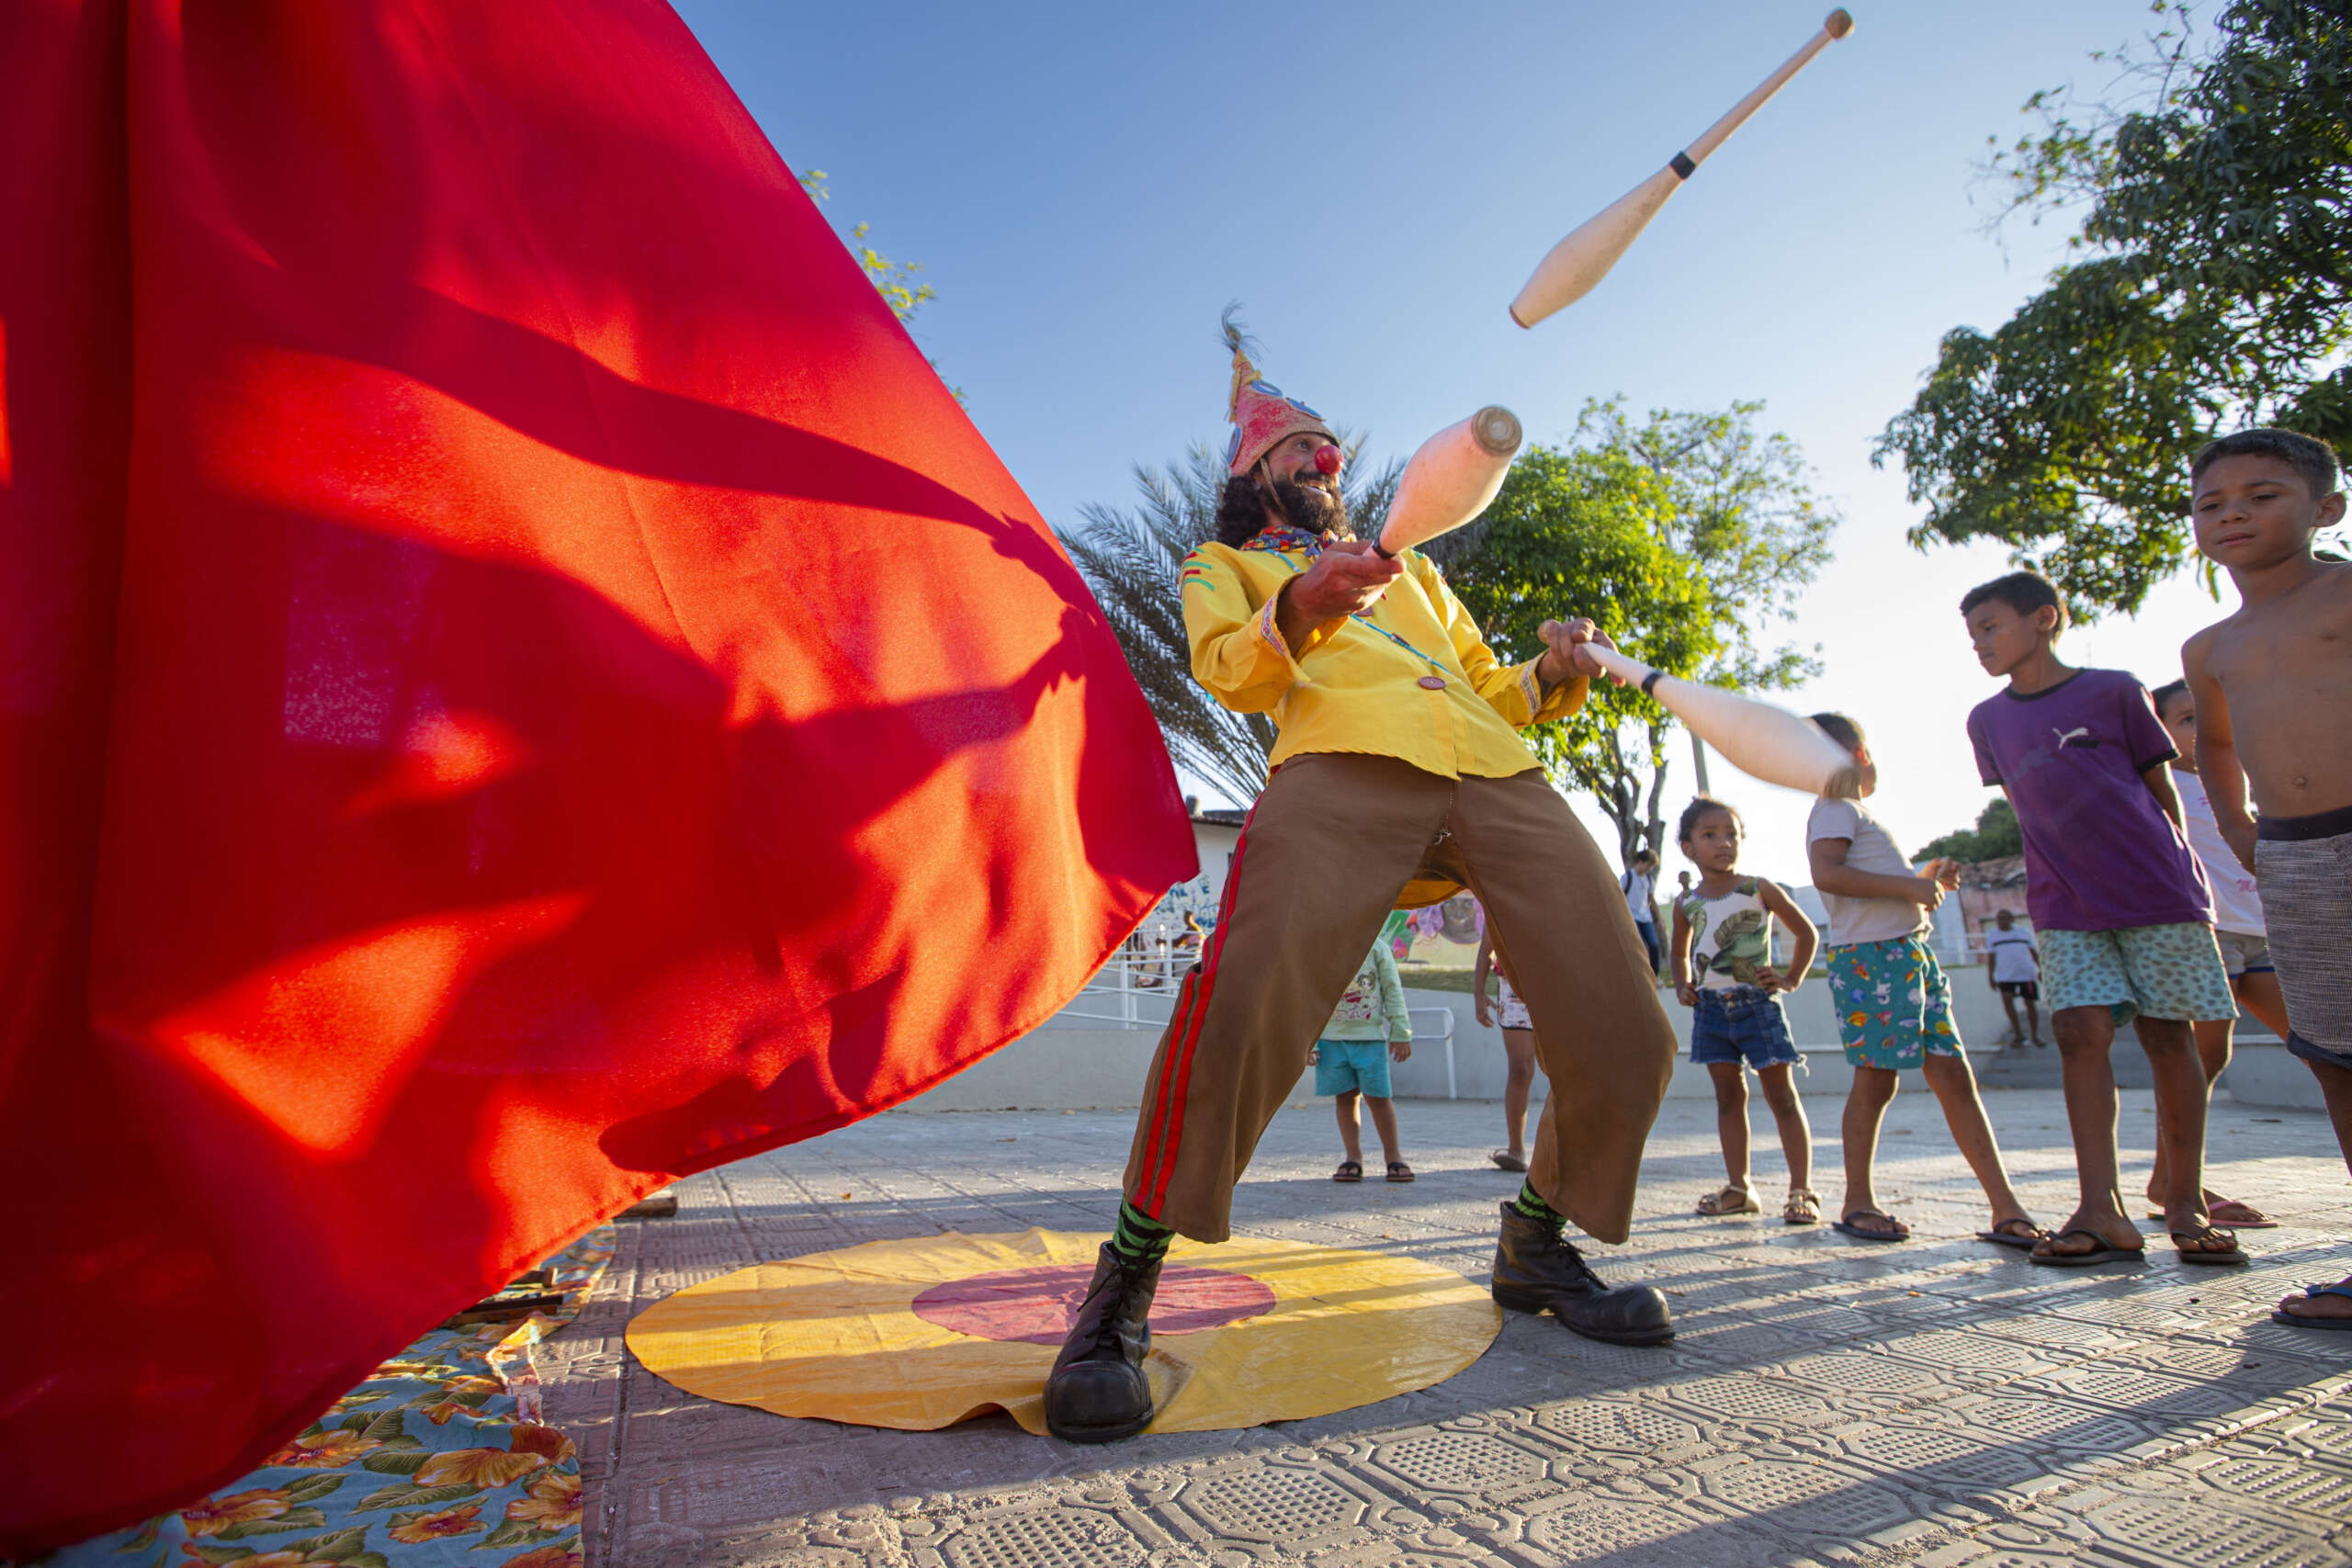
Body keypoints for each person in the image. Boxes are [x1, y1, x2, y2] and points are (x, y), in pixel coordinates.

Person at [1041, 322, 1681, 1443]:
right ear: (1252, 474)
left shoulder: (1418, 571)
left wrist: (1551, 666)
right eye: (1297, 446)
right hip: (1336, 766)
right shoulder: (1221, 565)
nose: (1321, 458)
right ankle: (1125, 1281)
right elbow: (1227, 670)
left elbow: (1487, 687)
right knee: (1243, 1000)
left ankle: (1535, 1243)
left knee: (1626, 1022)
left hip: (1494, 771)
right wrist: (1304, 602)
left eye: (1327, 444)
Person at [1962, 573, 2243, 1266]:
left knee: (2167, 1035)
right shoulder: (1986, 721)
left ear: (2044, 618)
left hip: (2156, 892)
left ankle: (2184, 1202)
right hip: (2064, 904)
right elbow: (2029, 808)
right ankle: (2100, 1209)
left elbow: (2158, 789)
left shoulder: (2116, 690)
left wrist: (2181, 875)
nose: (1980, 644)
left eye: (1991, 627)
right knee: (2077, 1033)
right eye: (1972, 635)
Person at [2177, 428, 2352, 1327]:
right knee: (2332, 1053)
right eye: (2211, 503)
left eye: (2261, 495)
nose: (2232, 514)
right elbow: (2213, 742)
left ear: (2326, 508)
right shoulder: (2209, 647)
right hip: (2293, 857)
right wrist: (2242, 827)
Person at [1806, 714, 2045, 1250]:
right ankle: (1858, 1201)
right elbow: (1828, 874)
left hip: (1907, 956)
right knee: (1876, 1080)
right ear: (1861, 756)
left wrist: (1924, 879)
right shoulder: (1836, 808)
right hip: (1874, 960)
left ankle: (2005, 1207)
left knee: (1954, 1077)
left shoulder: (1854, 814)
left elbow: (1874, 885)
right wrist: (1909, 888)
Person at [2148, 677, 2288, 1229]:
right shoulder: (2164, 786)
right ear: (2159, 729)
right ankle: (2174, 1183)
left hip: (2261, 930)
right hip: (2209, 933)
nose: (2203, 728)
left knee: (2320, 1046)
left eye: (2209, 715)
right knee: (2202, 1058)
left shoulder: (2242, 777)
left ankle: (2169, 1180)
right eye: (2187, 719)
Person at [1668, 797, 1820, 1224]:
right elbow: (1678, 953)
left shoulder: (1758, 889)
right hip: (1711, 1012)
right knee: (1728, 1098)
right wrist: (1683, 984)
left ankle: (1801, 1191)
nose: (1724, 843)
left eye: (1732, 834)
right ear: (1687, 848)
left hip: (1758, 1007)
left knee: (1782, 1096)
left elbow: (1806, 933)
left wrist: (1791, 978)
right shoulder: (1686, 903)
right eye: (1710, 835)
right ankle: (1740, 1188)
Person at [1308, 937, 1415, 1183]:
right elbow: (1310, 997)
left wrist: (1401, 1031)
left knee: (1379, 1099)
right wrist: (1309, 1042)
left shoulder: (1378, 948)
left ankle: (1394, 1157)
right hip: (1331, 1041)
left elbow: (1392, 990)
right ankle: (1353, 1157)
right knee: (1345, 1098)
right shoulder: (1319, 947)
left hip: (1370, 1040)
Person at [1473, 927, 1540, 1172]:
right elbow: (1486, 949)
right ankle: (1516, 1150)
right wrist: (1479, 993)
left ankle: (1561, 1149)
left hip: (1556, 985)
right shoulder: (1501, 902)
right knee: (1520, 1068)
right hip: (1514, 990)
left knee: (1562, 1072)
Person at [1984, 910, 2044, 1048]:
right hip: (2005, 977)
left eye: (2004, 918)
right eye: (1999, 919)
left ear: (2011, 919)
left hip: (2026, 975)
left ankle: (2035, 1036)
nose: (2001, 921)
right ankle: (2018, 1034)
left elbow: (2033, 952)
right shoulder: (1993, 935)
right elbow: (1991, 957)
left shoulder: (2023, 932)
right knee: (2007, 1001)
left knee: (2030, 1004)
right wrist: (1990, 977)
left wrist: (2041, 969)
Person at [1623, 850, 1664, 976]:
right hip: (1631, 917)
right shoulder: (1628, 877)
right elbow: (1619, 896)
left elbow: (1651, 899)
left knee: (1654, 945)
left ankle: (1655, 976)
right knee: (1640, 946)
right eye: (1648, 865)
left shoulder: (1648, 880)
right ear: (1640, 861)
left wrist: (1659, 919)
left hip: (1645, 918)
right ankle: (1640, 974)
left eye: (1652, 867)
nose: (1649, 869)